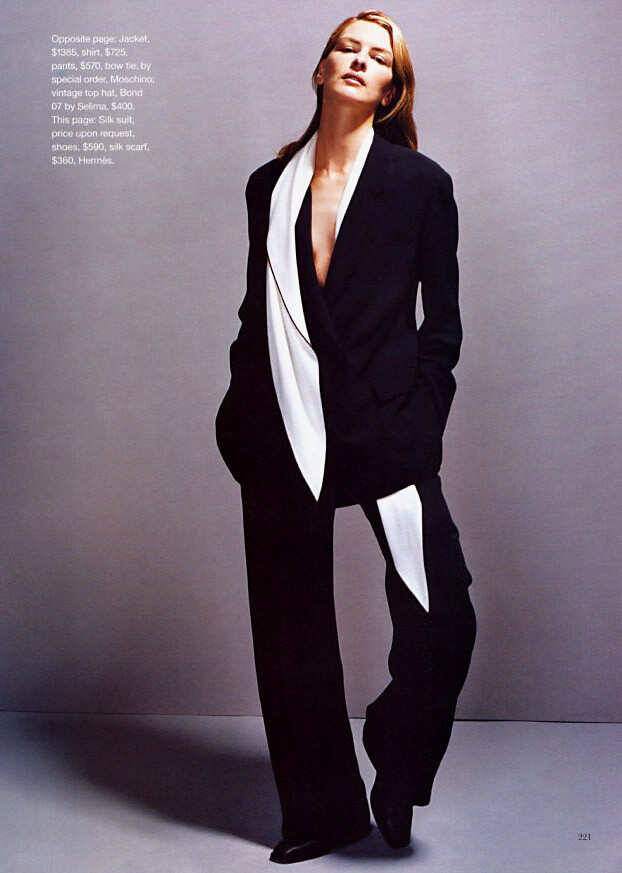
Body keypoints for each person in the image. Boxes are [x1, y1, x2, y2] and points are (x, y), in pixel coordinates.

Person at [216, 9, 477, 864]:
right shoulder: (269, 185)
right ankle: (321, 813)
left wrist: (421, 418)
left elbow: (442, 326)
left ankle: (396, 764)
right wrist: (239, 407)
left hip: (385, 429)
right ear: (322, 69)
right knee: (288, 629)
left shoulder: (420, 184)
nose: (361, 61)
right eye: (347, 48)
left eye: (379, 57)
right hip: (280, 424)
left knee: (444, 613)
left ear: (393, 88)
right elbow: (259, 311)